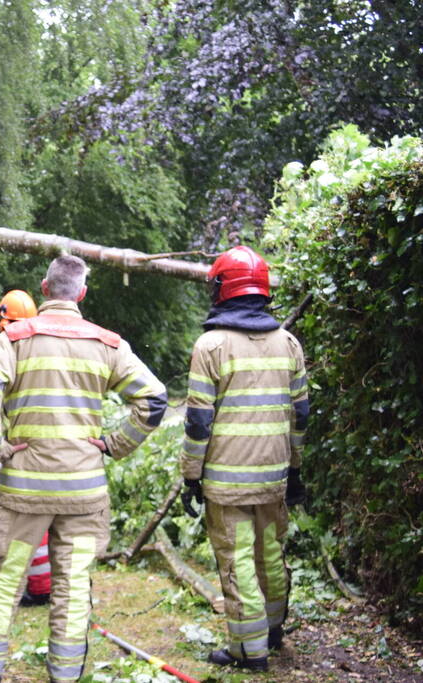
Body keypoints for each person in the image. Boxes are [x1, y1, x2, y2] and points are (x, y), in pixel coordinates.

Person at [0, 255, 167, 683]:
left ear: (44, 288)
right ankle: (65, 675)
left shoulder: (15, 339)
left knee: (3, 581)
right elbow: (154, 400)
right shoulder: (107, 344)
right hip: (82, 493)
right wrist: (115, 445)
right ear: (82, 294)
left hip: (24, 493)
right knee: (74, 588)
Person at [180, 245, 309, 672]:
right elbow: (300, 415)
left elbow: (198, 423)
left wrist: (191, 476)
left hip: (226, 483)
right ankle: (272, 631)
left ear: (221, 287)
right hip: (274, 477)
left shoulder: (210, 346)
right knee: (270, 555)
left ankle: (249, 652)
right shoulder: (289, 343)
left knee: (238, 563)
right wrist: (294, 470)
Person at [0, 290, 51, 608]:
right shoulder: (41, 344)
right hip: (45, 446)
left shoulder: (7, 347)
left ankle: (40, 586)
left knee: (26, 522)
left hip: (19, 448)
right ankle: (41, 581)